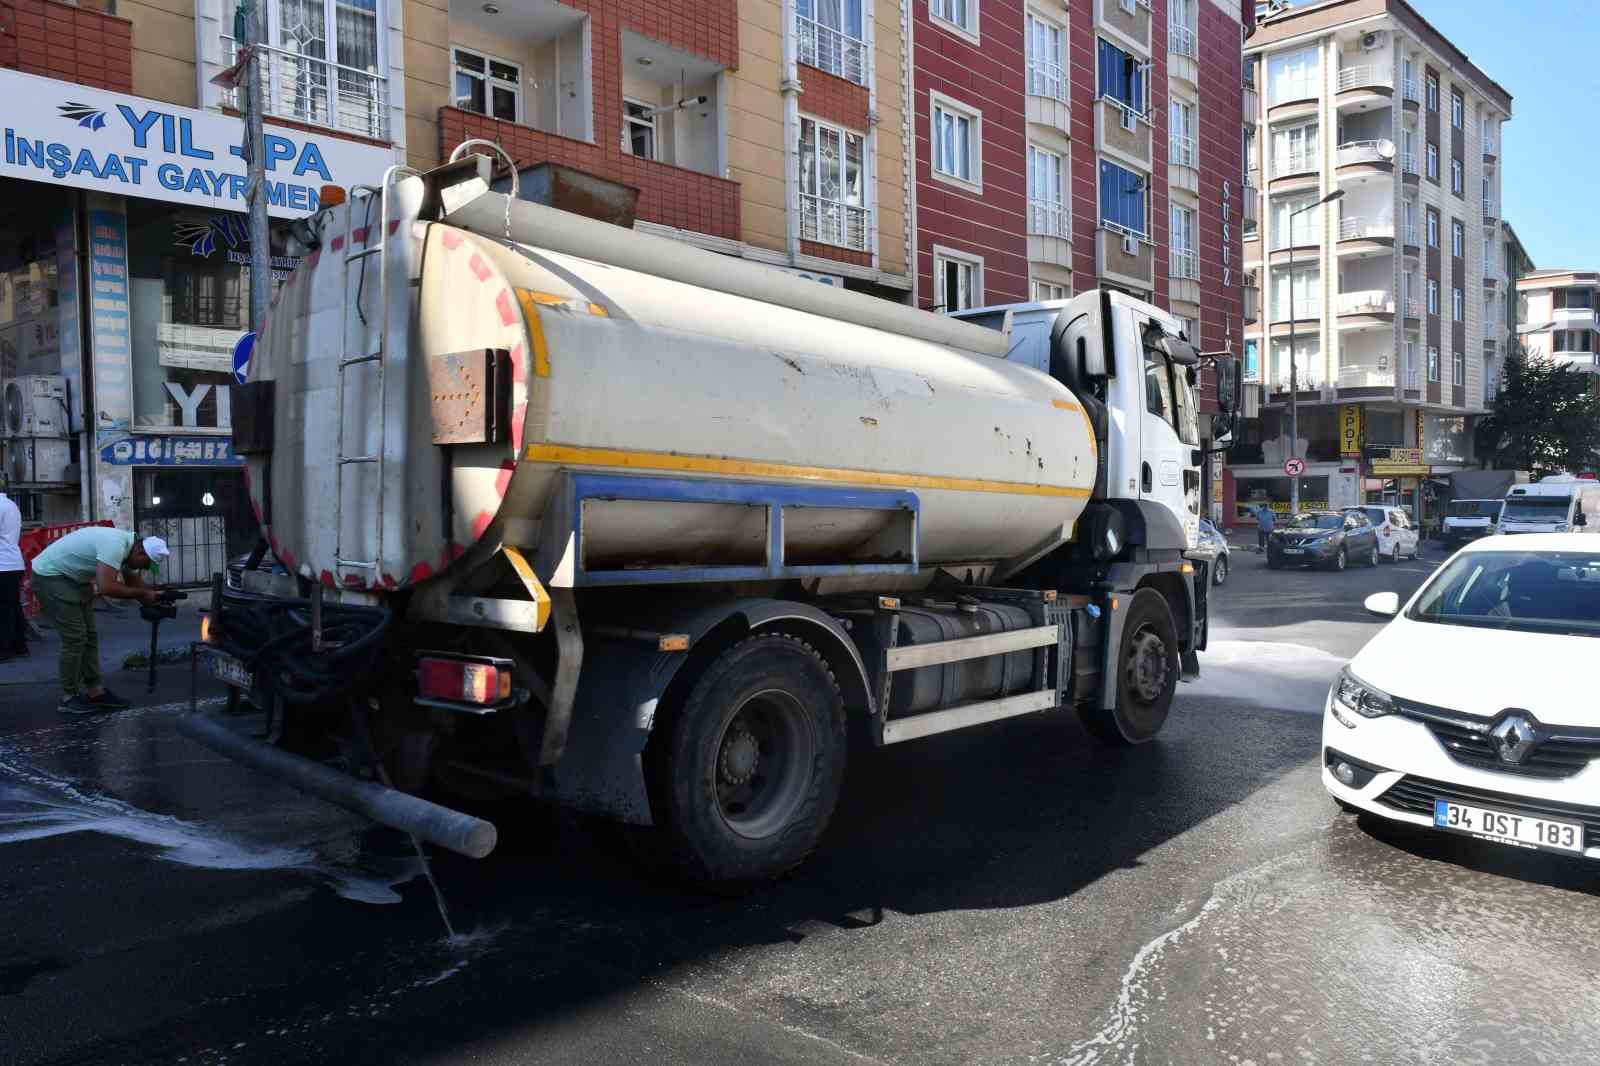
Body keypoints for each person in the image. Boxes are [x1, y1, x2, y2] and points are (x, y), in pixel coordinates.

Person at [29, 527, 170, 714]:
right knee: (76, 637)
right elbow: (106, 587)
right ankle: (68, 697)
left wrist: (155, 598)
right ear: (140, 551)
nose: (144, 569)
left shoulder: (129, 547)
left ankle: (95, 691)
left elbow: (132, 581)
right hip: (51, 577)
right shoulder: (115, 547)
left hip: (73, 578)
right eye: (145, 564)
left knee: (90, 635)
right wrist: (144, 594)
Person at [0, 488, 24, 662]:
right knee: (13, 607)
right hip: (13, 561)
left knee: (4, 609)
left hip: (2, 563)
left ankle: (5, 649)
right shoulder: (11, 504)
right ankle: (19, 645)